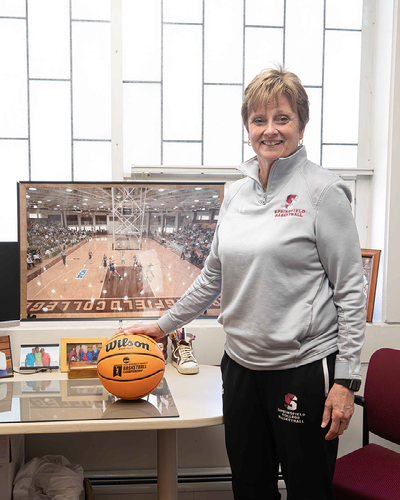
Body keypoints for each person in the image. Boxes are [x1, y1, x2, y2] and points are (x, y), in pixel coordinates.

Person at [118, 67, 365, 499]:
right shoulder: (235, 194)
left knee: (308, 490)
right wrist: (162, 325)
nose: (270, 130)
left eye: (282, 118)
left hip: (303, 368)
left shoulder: (324, 192)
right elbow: (213, 276)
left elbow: (350, 291)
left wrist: (346, 380)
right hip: (241, 368)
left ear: (302, 124)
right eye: (259, 120)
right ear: (248, 127)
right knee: (250, 489)